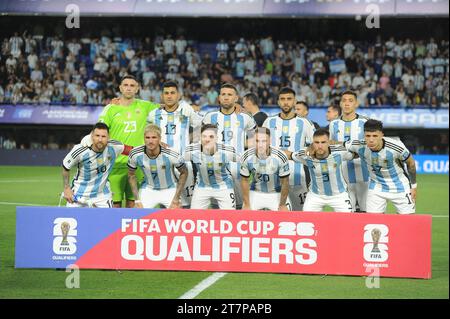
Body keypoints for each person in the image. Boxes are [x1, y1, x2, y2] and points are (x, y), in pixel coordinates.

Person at [81, 75, 159, 208]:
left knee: (133, 202)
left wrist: (189, 106)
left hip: (137, 164)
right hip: (114, 164)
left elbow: (167, 108)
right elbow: (100, 131)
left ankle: (128, 229)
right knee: (114, 204)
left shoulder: (146, 106)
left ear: (137, 89)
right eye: (126, 85)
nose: (129, 88)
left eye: (132, 85)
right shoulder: (111, 108)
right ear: (120, 88)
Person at [147, 81, 202, 208]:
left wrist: (193, 144)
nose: (169, 96)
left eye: (172, 93)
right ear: (162, 96)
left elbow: (199, 126)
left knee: (188, 204)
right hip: (162, 164)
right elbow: (147, 134)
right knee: (166, 203)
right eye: (166, 93)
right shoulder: (154, 114)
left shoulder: (187, 111)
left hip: (184, 163)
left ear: (178, 95)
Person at [202, 83, 257, 209]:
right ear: (219, 98)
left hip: (238, 169)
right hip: (214, 167)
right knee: (217, 208)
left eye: (230, 95)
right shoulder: (209, 117)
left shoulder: (245, 118)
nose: (226, 97)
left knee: (238, 206)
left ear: (236, 98)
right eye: (223, 94)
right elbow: (202, 141)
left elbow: (255, 138)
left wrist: (245, 153)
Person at [344, 119, 417, 214]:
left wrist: (414, 186)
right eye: (368, 136)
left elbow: (411, 163)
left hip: (400, 187)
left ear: (382, 135)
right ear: (364, 135)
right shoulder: (358, 145)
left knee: (408, 221)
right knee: (374, 223)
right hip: (376, 188)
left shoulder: (396, 147)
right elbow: (339, 145)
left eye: (375, 136)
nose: (371, 140)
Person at [263, 87, 316, 211]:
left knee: (301, 213)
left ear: (294, 101)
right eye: (282, 99)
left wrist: (298, 155)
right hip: (274, 177)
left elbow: (314, 148)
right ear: (278, 102)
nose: (286, 102)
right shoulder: (268, 122)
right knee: (277, 214)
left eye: (289, 99)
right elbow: (259, 146)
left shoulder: (305, 123)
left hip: (298, 176)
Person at [62, 122, 132, 208]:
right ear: (92, 136)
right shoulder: (81, 149)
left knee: (108, 220)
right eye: (97, 136)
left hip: (102, 195)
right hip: (79, 195)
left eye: (103, 136)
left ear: (108, 137)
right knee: (70, 220)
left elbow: (133, 151)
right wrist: (66, 188)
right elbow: (66, 166)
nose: (100, 139)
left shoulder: (114, 146)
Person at [286, 129, 354, 212]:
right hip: (315, 196)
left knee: (348, 221)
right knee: (306, 221)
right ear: (312, 143)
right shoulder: (306, 155)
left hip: (339, 196)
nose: (320, 146)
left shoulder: (339, 152)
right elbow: (289, 155)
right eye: (317, 142)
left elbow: (355, 154)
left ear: (329, 143)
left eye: (323, 142)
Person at [127, 124, 188, 209]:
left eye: (154, 137)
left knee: (177, 216)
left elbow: (184, 172)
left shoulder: (171, 154)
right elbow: (131, 174)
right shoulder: (135, 153)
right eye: (147, 138)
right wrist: (137, 200)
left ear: (159, 138)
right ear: (144, 138)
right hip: (148, 189)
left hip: (169, 189)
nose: (150, 141)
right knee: (137, 215)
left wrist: (176, 197)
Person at [329, 90, 370, 212]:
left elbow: (369, 144)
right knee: (347, 212)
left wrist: (342, 145)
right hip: (342, 174)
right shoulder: (334, 124)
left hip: (364, 171)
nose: (347, 104)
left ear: (356, 104)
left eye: (350, 101)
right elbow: (331, 145)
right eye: (344, 101)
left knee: (366, 210)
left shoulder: (365, 122)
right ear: (340, 104)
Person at [184, 124, 239, 209]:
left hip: (224, 186)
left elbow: (243, 161)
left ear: (217, 138)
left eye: (211, 137)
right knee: (194, 216)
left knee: (230, 216)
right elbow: (177, 160)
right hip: (202, 187)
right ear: (200, 138)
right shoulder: (191, 150)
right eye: (204, 136)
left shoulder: (228, 151)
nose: (207, 140)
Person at [240, 127, 291, 211]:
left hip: (276, 193)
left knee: (286, 218)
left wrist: (282, 205)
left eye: (264, 141)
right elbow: (244, 180)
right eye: (257, 141)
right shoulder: (246, 156)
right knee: (245, 215)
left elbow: (285, 183)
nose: (260, 145)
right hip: (256, 192)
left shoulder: (280, 156)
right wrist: (246, 204)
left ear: (270, 141)